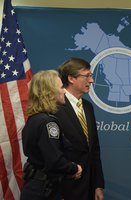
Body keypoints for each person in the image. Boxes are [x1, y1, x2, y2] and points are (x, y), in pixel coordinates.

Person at [21, 70, 82, 200]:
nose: (64, 91)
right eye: (61, 87)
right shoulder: (48, 122)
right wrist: (74, 168)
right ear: (49, 92)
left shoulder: (34, 119)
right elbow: (55, 161)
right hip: (43, 190)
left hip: (38, 187)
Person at [55, 57, 104, 200]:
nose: (91, 80)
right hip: (65, 188)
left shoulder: (88, 107)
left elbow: (94, 149)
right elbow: (53, 153)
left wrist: (98, 184)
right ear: (71, 78)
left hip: (89, 187)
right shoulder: (55, 107)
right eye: (87, 76)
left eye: (91, 76)